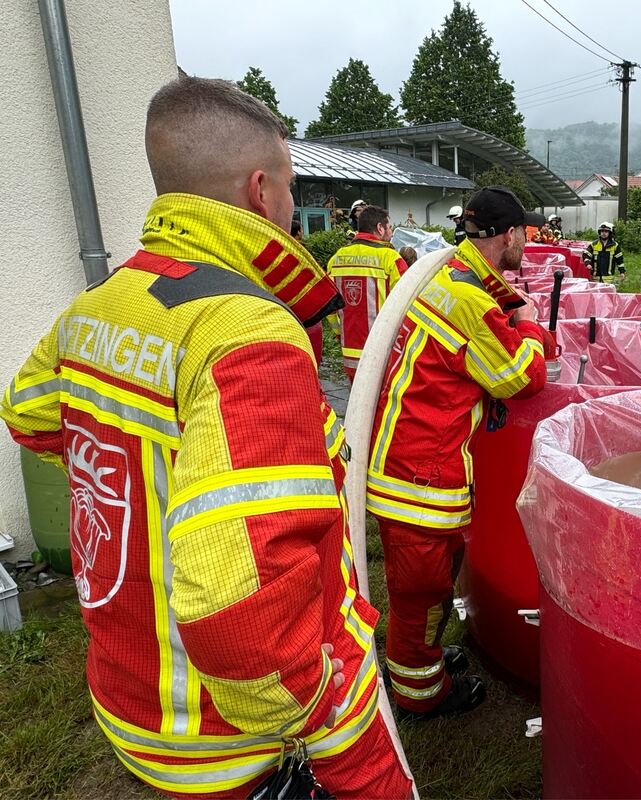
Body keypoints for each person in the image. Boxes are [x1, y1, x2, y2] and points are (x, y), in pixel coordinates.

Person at [0, 77, 411, 799]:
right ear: (261, 191)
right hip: (228, 734)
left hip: (131, 698)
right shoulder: (247, 334)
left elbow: (28, 416)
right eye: (289, 187)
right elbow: (238, 611)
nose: (289, 206)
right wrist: (323, 715)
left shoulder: (97, 306)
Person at [367, 186, 554, 720]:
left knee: (428, 584)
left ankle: (419, 658)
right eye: (527, 234)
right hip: (419, 476)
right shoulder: (472, 301)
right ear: (511, 234)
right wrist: (530, 325)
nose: (529, 243)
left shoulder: (447, 276)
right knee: (421, 593)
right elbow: (521, 378)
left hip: (409, 460)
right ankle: (419, 692)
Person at [327, 204, 407, 381]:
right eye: (389, 228)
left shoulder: (336, 259)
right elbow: (407, 305)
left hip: (349, 356)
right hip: (382, 355)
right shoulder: (390, 259)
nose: (391, 233)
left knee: (356, 404)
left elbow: (328, 306)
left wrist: (338, 333)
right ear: (380, 228)